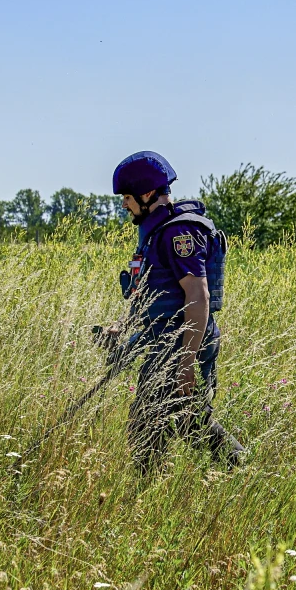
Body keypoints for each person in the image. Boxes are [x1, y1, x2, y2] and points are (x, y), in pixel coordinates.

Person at [107, 150, 245, 475]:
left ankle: (145, 503)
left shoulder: (178, 233)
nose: (124, 204)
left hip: (184, 344)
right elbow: (154, 292)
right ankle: (240, 470)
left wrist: (185, 366)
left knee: (153, 426)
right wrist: (123, 324)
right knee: (184, 422)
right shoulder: (155, 232)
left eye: (127, 197)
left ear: (146, 194)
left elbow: (198, 298)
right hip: (166, 341)